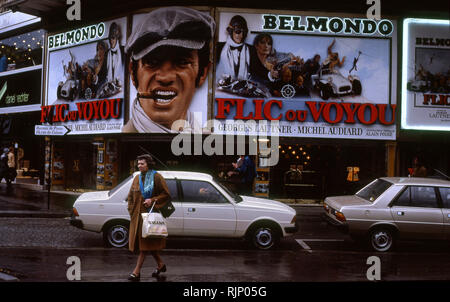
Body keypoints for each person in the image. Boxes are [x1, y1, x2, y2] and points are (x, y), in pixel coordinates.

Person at [123, 7, 215, 133]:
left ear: (203, 72)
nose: (165, 77)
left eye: (182, 62)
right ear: (133, 74)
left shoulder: (204, 139)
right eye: (151, 62)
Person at [127, 154, 171, 281]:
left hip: (150, 217)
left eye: (142, 163)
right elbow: (130, 196)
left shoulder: (157, 177)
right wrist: (131, 210)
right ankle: (161, 265)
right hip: (137, 218)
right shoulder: (137, 178)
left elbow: (166, 194)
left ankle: (136, 272)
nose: (139, 166)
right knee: (147, 244)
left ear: (149, 164)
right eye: (138, 163)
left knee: (144, 246)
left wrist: (152, 200)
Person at [217, 15, 252, 81]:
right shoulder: (218, 48)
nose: (241, 35)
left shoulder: (251, 49)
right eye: (238, 31)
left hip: (244, 89)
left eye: (243, 32)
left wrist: (271, 74)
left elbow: (259, 71)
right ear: (230, 31)